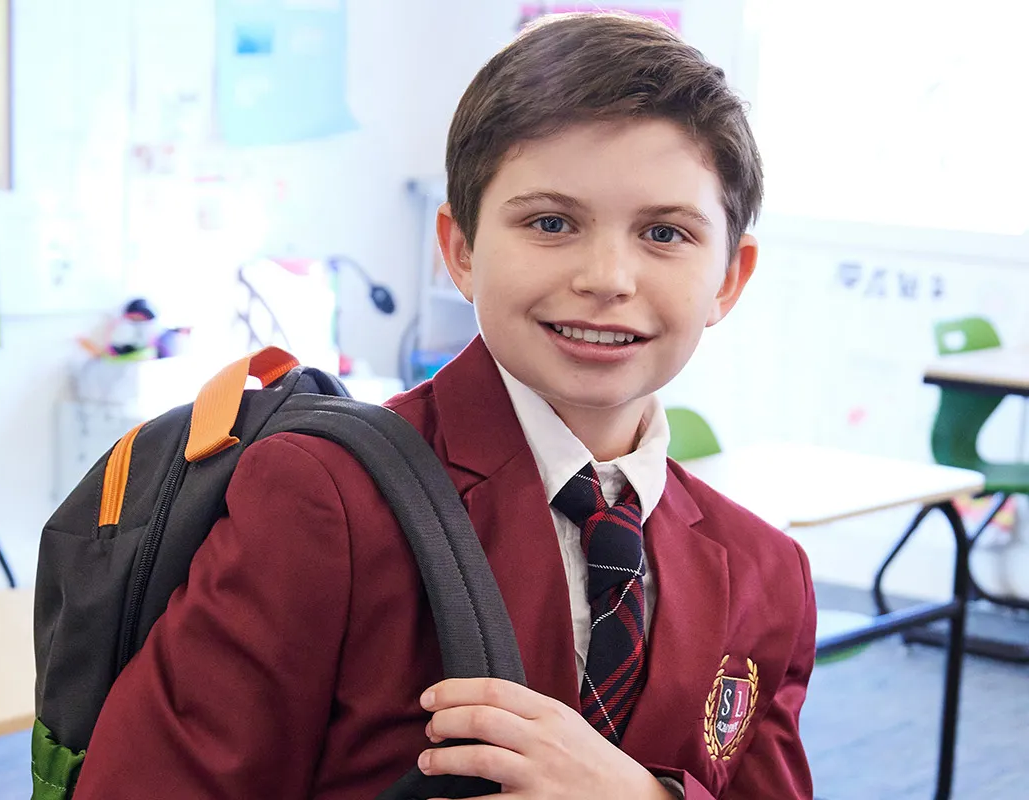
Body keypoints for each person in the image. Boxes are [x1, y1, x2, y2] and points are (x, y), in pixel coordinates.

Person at [75, 12, 811, 799]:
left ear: (729, 280)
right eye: (551, 223)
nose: (608, 277)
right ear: (459, 250)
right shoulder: (325, 500)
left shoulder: (768, 575)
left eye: (665, 233)